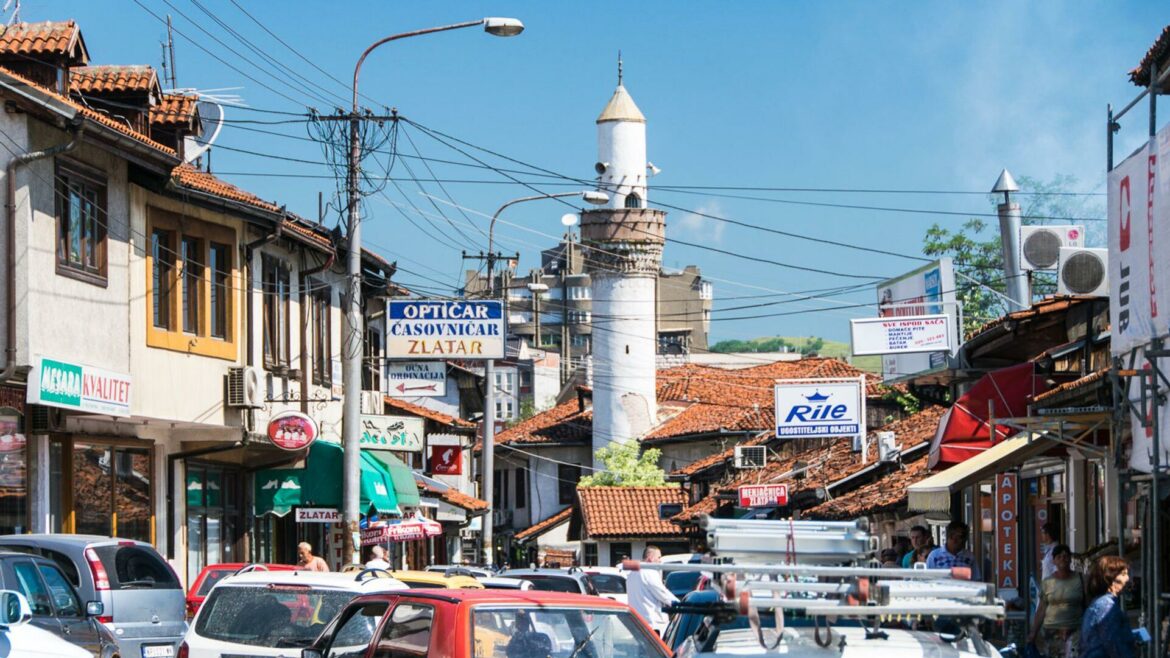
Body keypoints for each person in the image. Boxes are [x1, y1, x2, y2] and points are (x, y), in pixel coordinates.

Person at [1027, 544, 1085, 658]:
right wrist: (1033, 633)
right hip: (1052, 634)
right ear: (1053, 561)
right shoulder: (1047, 582)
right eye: (1059, 557)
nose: (1062, 559)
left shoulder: (1081, 579)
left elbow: (1087, 605)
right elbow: (1041, 609)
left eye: (1065, 556)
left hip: (1075, 632)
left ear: (1070, 559)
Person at [1080, 555, 1136, 658]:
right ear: (1110, 578)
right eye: (1123, 574)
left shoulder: (1100, 602)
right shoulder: (1106, 606)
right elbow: (1113, 643)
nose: (1127, 579)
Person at [626, 545, 679, 636]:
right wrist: (680, 605)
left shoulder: (632, 573)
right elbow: (663, 593)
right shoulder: (649, 572)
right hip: (653, 624)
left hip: (637, 622)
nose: (660, 561)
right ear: (650, 558)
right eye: (658, 557)